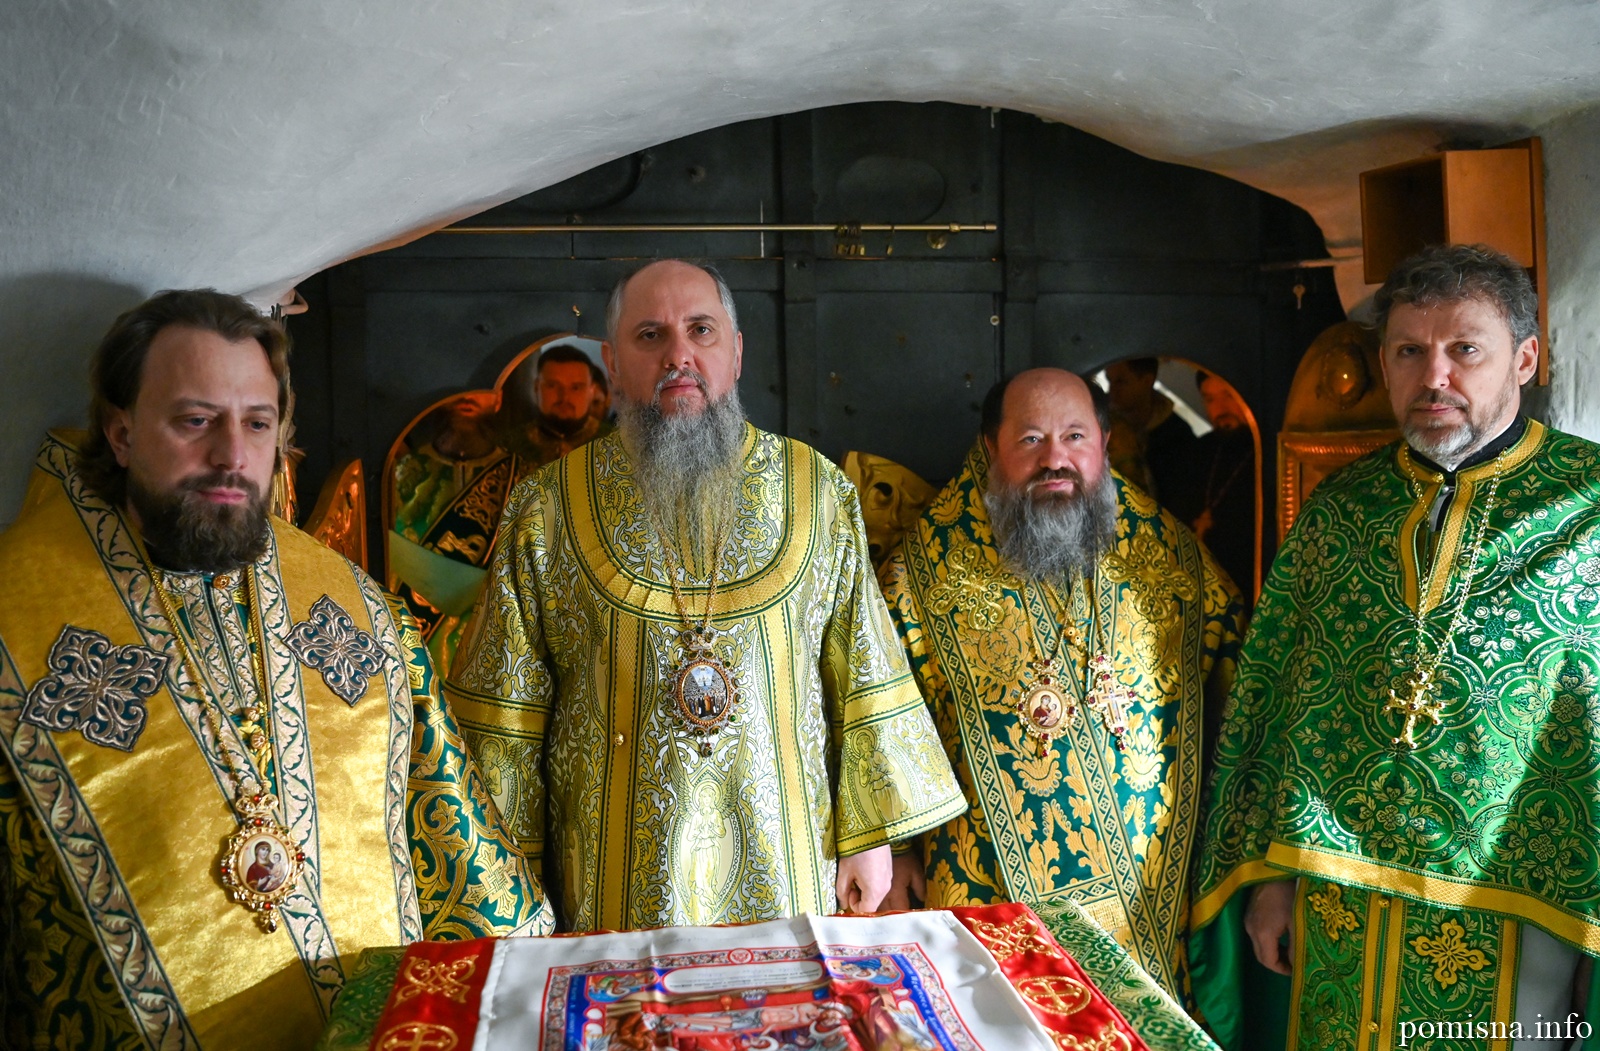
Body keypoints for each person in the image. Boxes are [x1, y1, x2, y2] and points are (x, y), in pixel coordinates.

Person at [0, 290, 551, 1051]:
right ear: (121, 432)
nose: (232, 455)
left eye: (257, 423)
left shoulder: (358, 611)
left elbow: (468, 882)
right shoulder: (15, 621)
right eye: (196, 421)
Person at [447, 259, 964, 932]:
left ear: (736, 352)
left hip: (789, 864)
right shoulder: (548, 506)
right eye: (650, 335)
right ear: (613, 362)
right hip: (611, 881)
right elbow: (506, 714)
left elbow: (862, 666)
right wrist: (511, 881)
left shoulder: (815, 491)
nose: (678, 355)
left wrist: (871, 837)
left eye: (701, 330)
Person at [1192, 244, 1600, 1049]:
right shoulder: (1342, 509)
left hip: (1520, 904)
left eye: (1464, 350)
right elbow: (1281, 705)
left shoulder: (1587, 505)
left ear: (1524, 359)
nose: (1433, 376)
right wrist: (1272, 876)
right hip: (1337, 893)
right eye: (1409, 351)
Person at [878, 367, 1244, 1008]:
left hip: (1154, 895)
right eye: (1031, 440)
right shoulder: (921, 576)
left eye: (1075, 437)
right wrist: (898, 847)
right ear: (991, 449)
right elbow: (883, 713)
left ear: (1105, 444)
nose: (1056, 459)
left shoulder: (1174, 562)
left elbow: (1240, 697)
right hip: (987, 887)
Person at [389, 389, 516, 673]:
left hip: (493, 642)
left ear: (498, 399)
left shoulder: (521, 477)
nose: (467, 396)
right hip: (418, 640)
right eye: (459, 388)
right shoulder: (403, 472)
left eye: (480, 389)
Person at [1165, 371, 1257, 602]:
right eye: (1210, 399)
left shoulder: (1269, 453)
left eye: (1228, 396)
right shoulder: (1198, 451)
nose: (1220, 408)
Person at [507, 344, 610, 474]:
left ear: (592, 391)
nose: (564, 397)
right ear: (537, 387)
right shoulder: (510, 447)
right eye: (552, 385)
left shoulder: (620, 446)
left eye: (576, 388)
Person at [1103, 357, 1194, 501]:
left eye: (1121, 382)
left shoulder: (1178, 434)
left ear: (1147, 381)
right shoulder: (1100, 426)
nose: (1112, 390)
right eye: (1110, 380)